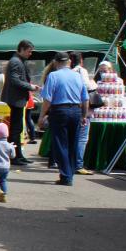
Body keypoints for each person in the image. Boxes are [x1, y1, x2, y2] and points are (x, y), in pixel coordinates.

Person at [39, 52, 89, 186]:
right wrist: (84, 115)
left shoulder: (53, 76)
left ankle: (66, 175)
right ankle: (69, 173)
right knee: (73, 143)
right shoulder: (78, 76)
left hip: (59, 111)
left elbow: (47, 99)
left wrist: (42, 116)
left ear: (55, 62)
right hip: (76, 111)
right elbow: (85, 98)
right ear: (69, 62)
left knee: (60, 144)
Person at [1, 40, 39, 165]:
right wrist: (31, 87)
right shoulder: (15, 62)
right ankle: (14, 156)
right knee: (16, 129)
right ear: (22, 49)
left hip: (17, 99)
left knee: (18, 128)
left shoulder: (17, 60)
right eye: (29, 51)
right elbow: (15, 81)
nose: (30, 54)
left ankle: (19, 155)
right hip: (15, 99)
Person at [69, 51, 96, 176]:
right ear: (81, 60)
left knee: (72, 137)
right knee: (82, 138)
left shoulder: (68, 72)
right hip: (82, 107)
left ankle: (70, 162)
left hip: (70, 107)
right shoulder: (81, 71)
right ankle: (78, 164)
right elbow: (86, 87)